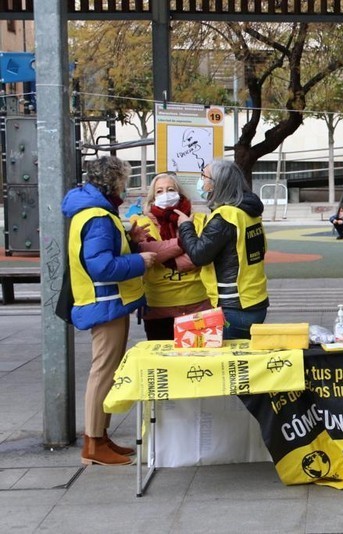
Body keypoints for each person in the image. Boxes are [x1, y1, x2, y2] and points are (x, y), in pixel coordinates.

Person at [61, 156, 156, 466]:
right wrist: (139, 262)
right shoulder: (99, 216)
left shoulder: (95, 211)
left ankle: (100, 436)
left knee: (106, 370)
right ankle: (93, 442)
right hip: (105, 302)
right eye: (124, 179)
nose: (126, 185)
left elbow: (100, 251)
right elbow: (101, 265)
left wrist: (128, 241)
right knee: (103, 371)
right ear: (114, 181)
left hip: (106, 302)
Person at [176, 160, 269, 339]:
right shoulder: (249, 211)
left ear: (218, 184)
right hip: (255, 300)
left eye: (204, 176)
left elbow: (198, 255)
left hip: (234, 306)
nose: (201, 181)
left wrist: (186, 226)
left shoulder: (225, 216)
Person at [131, 173, 212, 340]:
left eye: (170, 189)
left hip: (197, 304)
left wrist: (163, 251)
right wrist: (187, 242)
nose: (165, 194)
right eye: (159, 191)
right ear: (152, 198)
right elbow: (147, 253)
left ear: (180, 193)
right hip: (158, 307)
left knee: (196, 362)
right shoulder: (141, 225)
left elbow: (201, 255)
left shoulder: (200, 220)